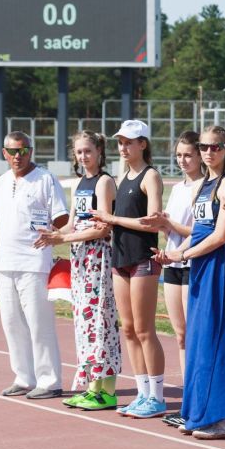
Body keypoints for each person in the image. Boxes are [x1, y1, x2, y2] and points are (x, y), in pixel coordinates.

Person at [156, 125, 225, 440]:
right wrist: (174, 251)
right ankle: (200, 412)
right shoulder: (203, 184)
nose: (209, 152)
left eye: (215, 147)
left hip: (218, 266)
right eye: (204, 147)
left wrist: (183, 255)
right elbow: (197, 229)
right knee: (199, 339)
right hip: (199, 264)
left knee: (219, 337)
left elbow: (220, 236)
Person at [34, 131, 122, 410]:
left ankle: (106, 390)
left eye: (88, 151)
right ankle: (91, 386)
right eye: (79, 152)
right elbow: (73, 223)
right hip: (80, 259)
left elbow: (102, 227)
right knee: (84, 323)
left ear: (99, 152)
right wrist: (52, 234)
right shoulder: (79, 183)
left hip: (98, 258)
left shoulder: (104, 182)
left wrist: (63, 238)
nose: (83, 157)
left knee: (101, 322)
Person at [90, 120, 167, 419]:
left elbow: (153, 221)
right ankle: (142, 392)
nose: (124, 147)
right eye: (120, 142)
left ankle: (157, 396)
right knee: (129, 329)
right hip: (120, 259)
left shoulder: (151, 177)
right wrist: (107, 222)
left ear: (143, 144)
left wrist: (113, 219)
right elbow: (118, 219)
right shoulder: (123, 177)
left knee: (146, 329)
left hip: (143, 259)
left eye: (130, 142)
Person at [0, 132, 69, 399]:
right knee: (11, 322)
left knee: (39, 323)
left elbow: (61, 218)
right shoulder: (1, 182)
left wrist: (52, 234)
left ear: (31, 151)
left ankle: (49, 381)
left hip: (35, 261)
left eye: (22, 151)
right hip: (4, 261)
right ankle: (24, 377)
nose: (17, 156)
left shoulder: (45, 179)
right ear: (4, 153)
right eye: (12, 151)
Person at [147, 131, 202, 428]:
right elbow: (175, 228)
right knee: (180, 335)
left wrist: (170, 225)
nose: (183, 160)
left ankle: (198, 398)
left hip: (192, 262)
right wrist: (164, 227)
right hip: (171, 262)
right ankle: (187, 398)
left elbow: (199, 230)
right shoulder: (178, 187)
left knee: (193, 335)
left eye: (188, 155)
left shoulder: (204, 187)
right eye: (179, 155)